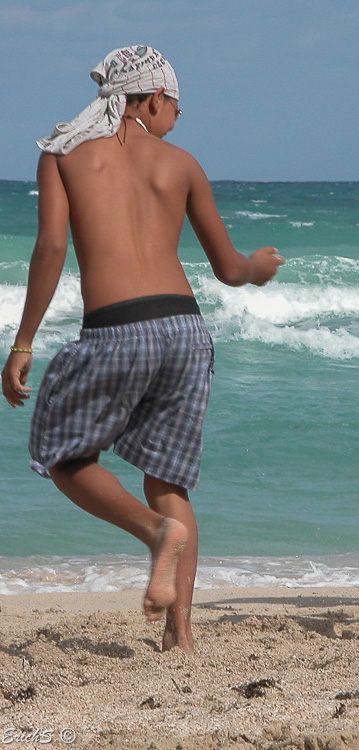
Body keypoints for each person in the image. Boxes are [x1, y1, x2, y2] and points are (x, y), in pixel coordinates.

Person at [1, 46, 283, 654]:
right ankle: (180, 636)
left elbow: (51, 248)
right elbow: (230, 269)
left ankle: (156, 534)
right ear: (152, 98)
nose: (178, 118)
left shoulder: (62, 154)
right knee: (169, 479)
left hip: (115, 327)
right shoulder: (181, 164)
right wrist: (258, 269)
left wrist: (23, 341)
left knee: (62, 454)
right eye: (177, 106)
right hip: (185, 330)